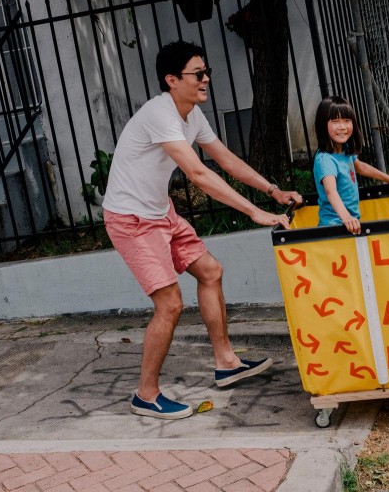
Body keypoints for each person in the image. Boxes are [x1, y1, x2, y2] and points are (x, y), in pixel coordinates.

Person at [101, 40, 302, 420]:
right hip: (132, 221)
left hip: (161, 212)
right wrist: (254, 212)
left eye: (207, 71)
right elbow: (197, 173)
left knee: (210, 271)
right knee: (170, 304)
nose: (206, 78)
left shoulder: (192, 114)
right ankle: (146, 394)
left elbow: (225, 160)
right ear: (172, 80)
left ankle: (226, 361)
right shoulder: (160, 114)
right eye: (198, 73)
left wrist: (272, 192)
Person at [313, 96, 389, 234]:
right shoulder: (325, 159)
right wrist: (347, 218)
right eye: (335, 121)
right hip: (334, 227)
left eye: (347, 121)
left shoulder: (344, 150)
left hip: (349, 223)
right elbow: (330, 191)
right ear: (322, 124)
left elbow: (360, 167)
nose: (342, 127)